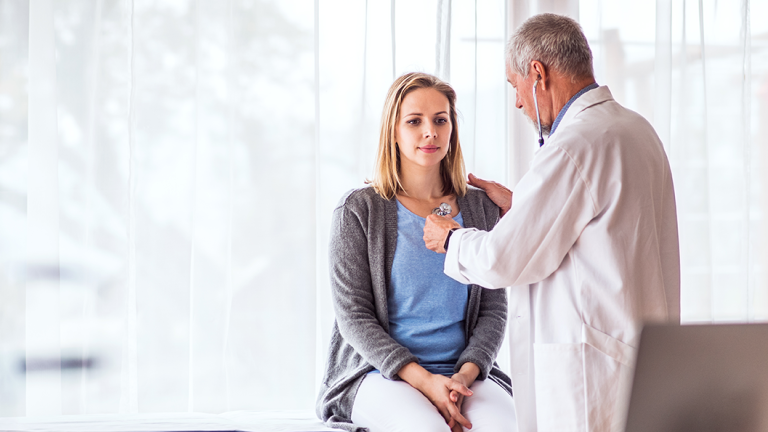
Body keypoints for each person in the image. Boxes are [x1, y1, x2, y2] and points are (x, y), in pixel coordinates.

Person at [423, 13, 681, 432]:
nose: (519, 103)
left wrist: (451, 239)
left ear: (537, 74)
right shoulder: (634, 130)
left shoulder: (574, 146)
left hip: (591, 373)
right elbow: (601, 225)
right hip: (641, 361)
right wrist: (523, 204)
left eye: (515, 87)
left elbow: (502, 259)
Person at [316, 72, 517, 432]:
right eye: (414, 121)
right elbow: (354, 318)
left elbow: (493, 310)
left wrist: (463, 377)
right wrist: (425, 382)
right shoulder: (358, 211)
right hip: (380, 373)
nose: (431, 132)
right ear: (393, 131)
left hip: (464, 374)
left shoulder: (482, 208)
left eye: (441, 120)